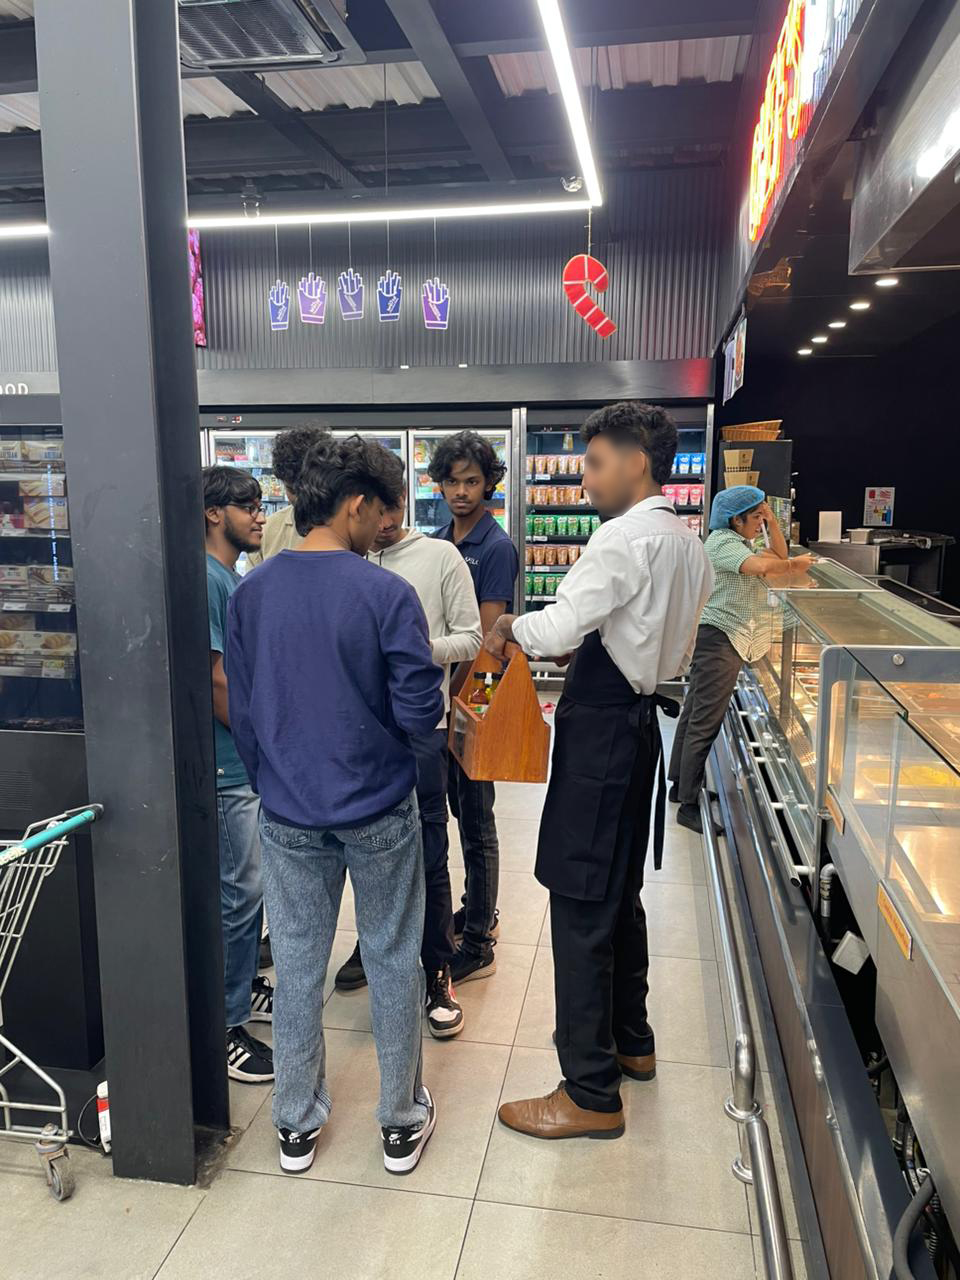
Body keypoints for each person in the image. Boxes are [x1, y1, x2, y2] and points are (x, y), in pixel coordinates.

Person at [483, 401, 714, 1140]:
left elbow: (555, 626)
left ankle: (588, 1089)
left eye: (595, 462)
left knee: (580, 901)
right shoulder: (689, 544)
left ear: (637, 461)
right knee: (619, 893)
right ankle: (631, 1042)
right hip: (640, 726)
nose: (585, 478)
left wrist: (510, 627)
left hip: (600, 736)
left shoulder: (622, 539)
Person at [225, 435, 445, 1177]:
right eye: (383, 512)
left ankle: (294, 1123)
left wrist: (272, 780)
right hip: (378, 805)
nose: (387, 526)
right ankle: (400, 1121)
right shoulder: (385, 594)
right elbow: (419, 712)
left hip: (289, 808)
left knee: (296, 962)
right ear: (356, 504)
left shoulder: (252, 593)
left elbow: (246, 713)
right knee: (392, 955)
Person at [334, 491, 483, 1038]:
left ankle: (438, 969)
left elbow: (471, 637)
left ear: (401, 502)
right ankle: (369, 944)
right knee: (364, 844)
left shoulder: (440, 557)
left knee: (428, 846)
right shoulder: (345, 560)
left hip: (421, 729)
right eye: (371, 512)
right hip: (360, 729)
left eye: (389, 509)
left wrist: (410, 647)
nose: (382, 522)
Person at [668, 486, 814, 834]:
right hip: (719, 638)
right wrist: (793, 565)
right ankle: (688, 805)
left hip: (723, 637)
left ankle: (681, 785)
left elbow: (775, 554)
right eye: (756, 517)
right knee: (705, 720)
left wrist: (772, 522)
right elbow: (764, 566)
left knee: (695, 712)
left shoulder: (739, 541)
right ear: (736, 519)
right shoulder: (723, 543)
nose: (759, 523)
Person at [429, 431, 519, 984]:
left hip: (475, 697)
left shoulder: (496, 546)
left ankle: (481, 935)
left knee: (476, 820)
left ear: (489, 485)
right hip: (444, 702)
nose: (461, 492)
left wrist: (463, 713)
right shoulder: (440, 541)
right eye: (452, 481)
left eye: (472, 481)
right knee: (457, 813)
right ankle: (475, 907)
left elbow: (487, 641)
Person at [203, 465, 275, 1085]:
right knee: (240, 891)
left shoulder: (231, 577)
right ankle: (225, 1025)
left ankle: (244, 985)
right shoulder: (208, 578)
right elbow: (218, 678)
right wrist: (258, 750)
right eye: (247, 506)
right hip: (228, 765)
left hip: (240, 761)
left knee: (249, 890)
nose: (258, 515)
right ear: (212, 513)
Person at [245, 422, 330, 566]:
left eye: (308, 489)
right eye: (293, 490)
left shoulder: (353, 526)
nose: (302, 499)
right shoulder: (266, 531)